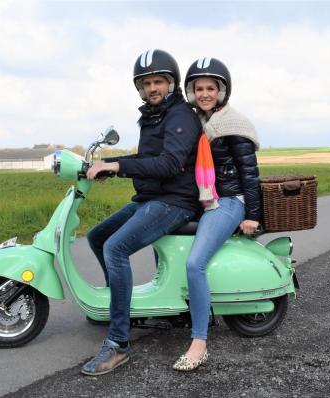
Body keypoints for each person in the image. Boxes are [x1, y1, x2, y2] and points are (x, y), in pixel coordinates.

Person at [81, 49, 202, 376]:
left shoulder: (180, 115)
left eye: (158, 81)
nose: (152, 88)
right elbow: (147, 155)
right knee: (98, 236)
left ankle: (118, 342)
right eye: (146, 83)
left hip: (174, 201)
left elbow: (169, 163)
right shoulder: (152, 115)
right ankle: (119, 309)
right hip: (151, 197)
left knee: (115, 248)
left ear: (171, 83)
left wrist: (119, 166)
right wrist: (110, 165)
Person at [172, 57, 261, 371]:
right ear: (191, 91)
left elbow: (249, 173)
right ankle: (176, 308)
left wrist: (252, 214)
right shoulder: (199, 122)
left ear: (222, 91)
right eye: (199, 88)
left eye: (211, 88)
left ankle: (199, 342)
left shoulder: (232, 125)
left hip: (229, 201)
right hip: (207, 199)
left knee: (195, 263)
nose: (205, 93)